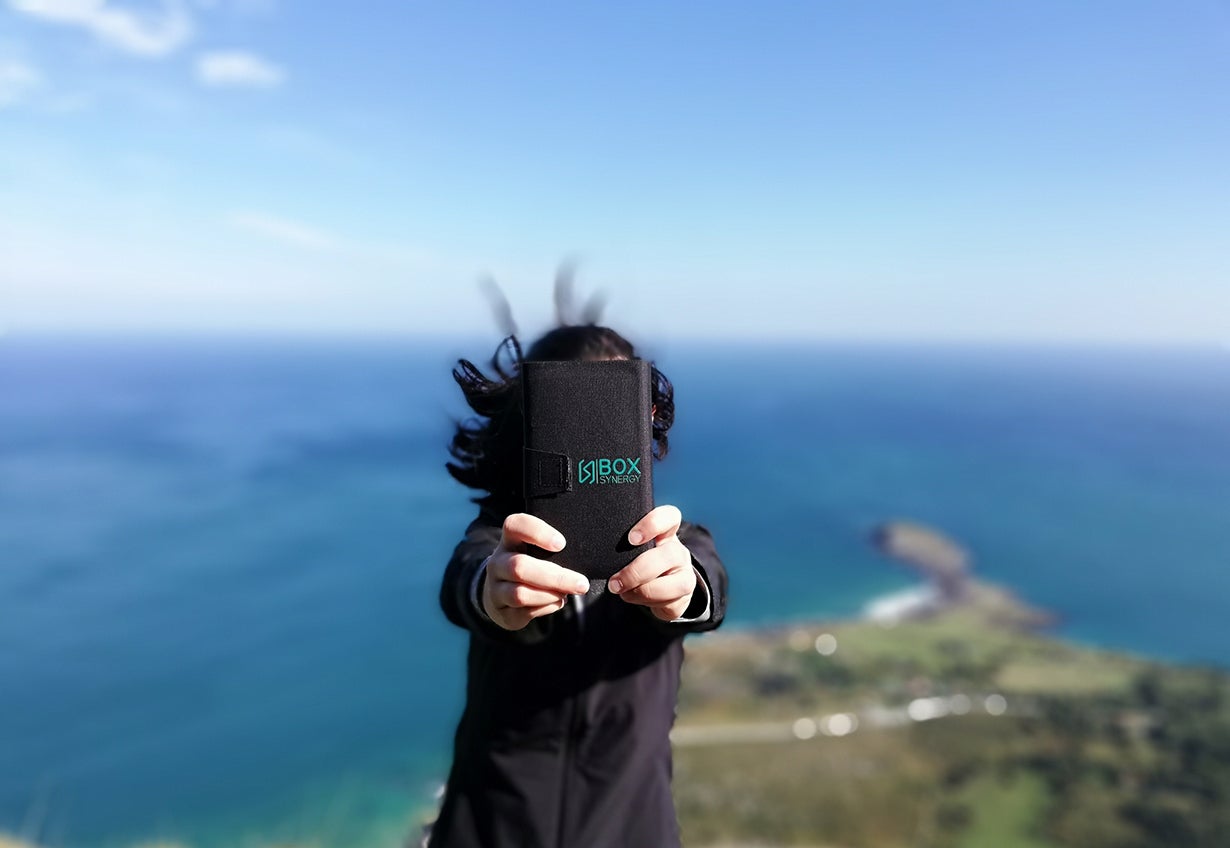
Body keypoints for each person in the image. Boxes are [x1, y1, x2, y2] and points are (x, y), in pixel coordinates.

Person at [428, 319, 729, 848]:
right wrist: (493, 593)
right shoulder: (500, 540)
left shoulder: (673, 546)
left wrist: (687, 590)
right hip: (490, 829)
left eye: (614, 408)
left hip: (630, 830)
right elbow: (467, 577)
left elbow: (706, 580)